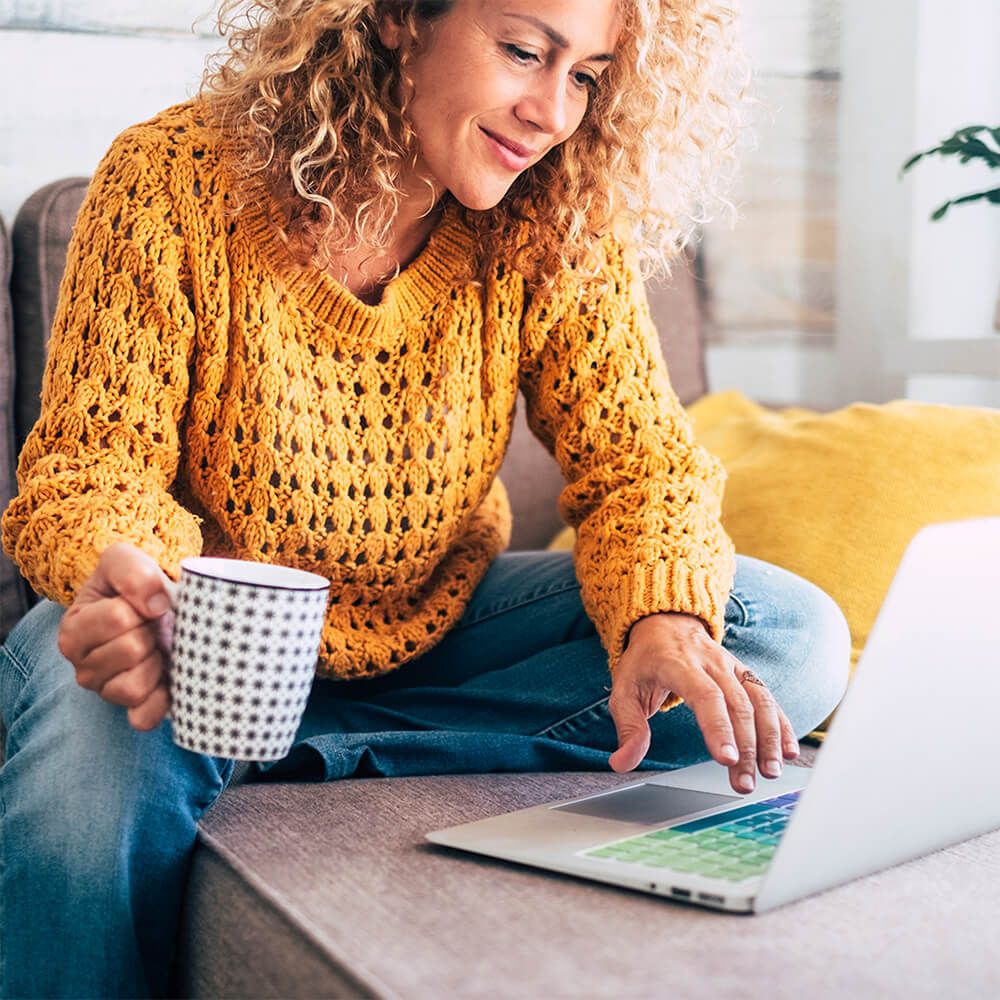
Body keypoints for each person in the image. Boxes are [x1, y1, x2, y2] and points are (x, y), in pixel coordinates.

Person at [0, 0, 850, 995]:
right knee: (99, 720)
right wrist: (142, 590)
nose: (550, 112)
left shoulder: (554, 215)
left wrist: (661, 616)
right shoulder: (171, 181)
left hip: (429, 633)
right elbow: (90, 471)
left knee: (785, 633)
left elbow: (641, 465)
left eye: (585, 76)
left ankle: (279, 753)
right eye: (526, 51)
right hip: (197, 645)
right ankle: (236, 739)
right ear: (399, 18)